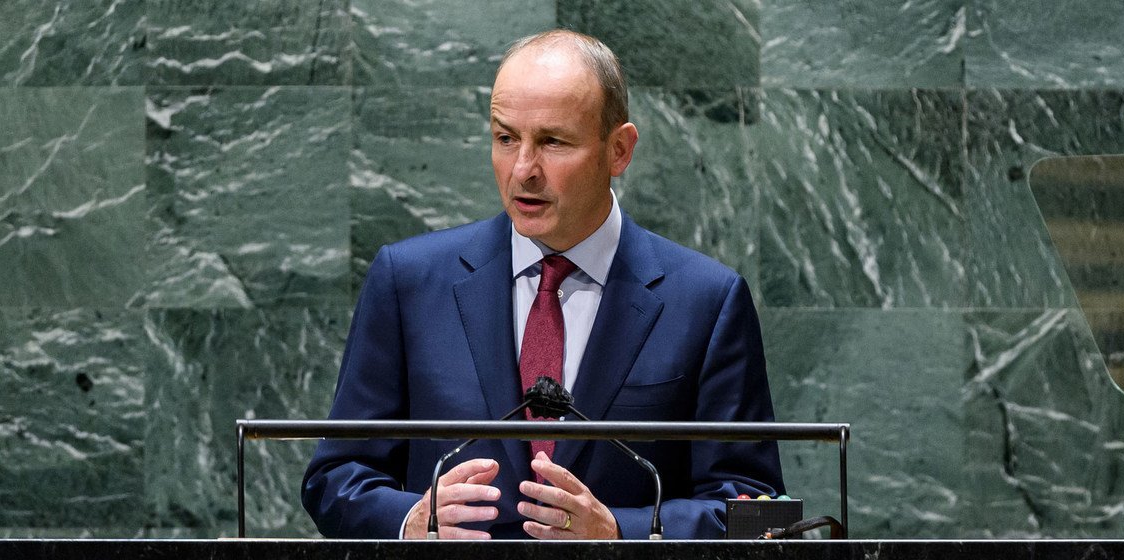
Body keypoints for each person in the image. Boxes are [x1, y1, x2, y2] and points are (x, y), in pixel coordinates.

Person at [302, 29, 782, 540]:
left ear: (618, 150)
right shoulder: (409, 282)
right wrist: (410, 521)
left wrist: (621, 531)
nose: (524, 170)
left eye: (553, 142)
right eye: (506, 138)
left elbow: (756, 508)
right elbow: (336, 478)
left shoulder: (706, 301)